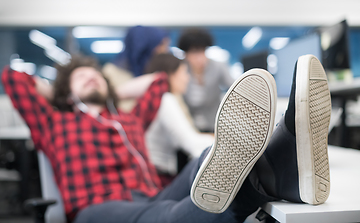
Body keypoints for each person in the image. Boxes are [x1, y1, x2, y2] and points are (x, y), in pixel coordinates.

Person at [2, 53, 331, 223]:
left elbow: (159, 82)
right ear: (64, 92)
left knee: (204, 160)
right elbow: (12, 78)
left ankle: (283, 170)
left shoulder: (127, 118)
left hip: (149, 194)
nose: (90, 79)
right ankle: (285, 154)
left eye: (94, 75)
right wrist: (61, 92)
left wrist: (107, 88)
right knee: (170, 216)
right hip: (97, 208)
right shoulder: (52, 121)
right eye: (81, 79)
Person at [144, 53, 214, 185]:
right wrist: (222, 141)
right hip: (160, 179)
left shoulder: (155, 99)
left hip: (157, 175)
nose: (187, 78)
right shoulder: (166, 100)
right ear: (170, 75)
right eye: (184, 72)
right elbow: (191, 144)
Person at [178, 27, 234, 132]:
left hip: (215, 127)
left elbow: (234, 86)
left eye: (203, 51)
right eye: (195, 52)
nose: (200, 57)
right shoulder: (181, 70)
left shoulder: (218, 67)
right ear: (185, 54)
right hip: (189, 128)